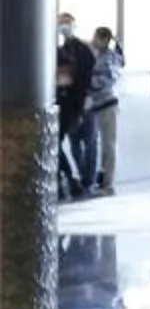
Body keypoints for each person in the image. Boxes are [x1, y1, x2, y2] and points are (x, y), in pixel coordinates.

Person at [54, 14, 94, 197]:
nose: (63, 27)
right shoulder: (62, 49)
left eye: (66, 23)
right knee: (57, 143)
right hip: (64, 102)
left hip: (74, 103)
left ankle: (72, 178)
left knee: (74, 143)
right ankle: (70, 179)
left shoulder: (81, 50)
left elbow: (82, 78)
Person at [84, 27, 123, 195]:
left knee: (109, 146)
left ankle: (108, 185)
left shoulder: (110, 58)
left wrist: (87, 82)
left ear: (104, 39)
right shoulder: (100, 55)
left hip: (108, 104)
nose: (93, 40)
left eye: (96, 37)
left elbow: (106, 79)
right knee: (101, 144)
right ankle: (102, 181)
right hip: (99, 105)